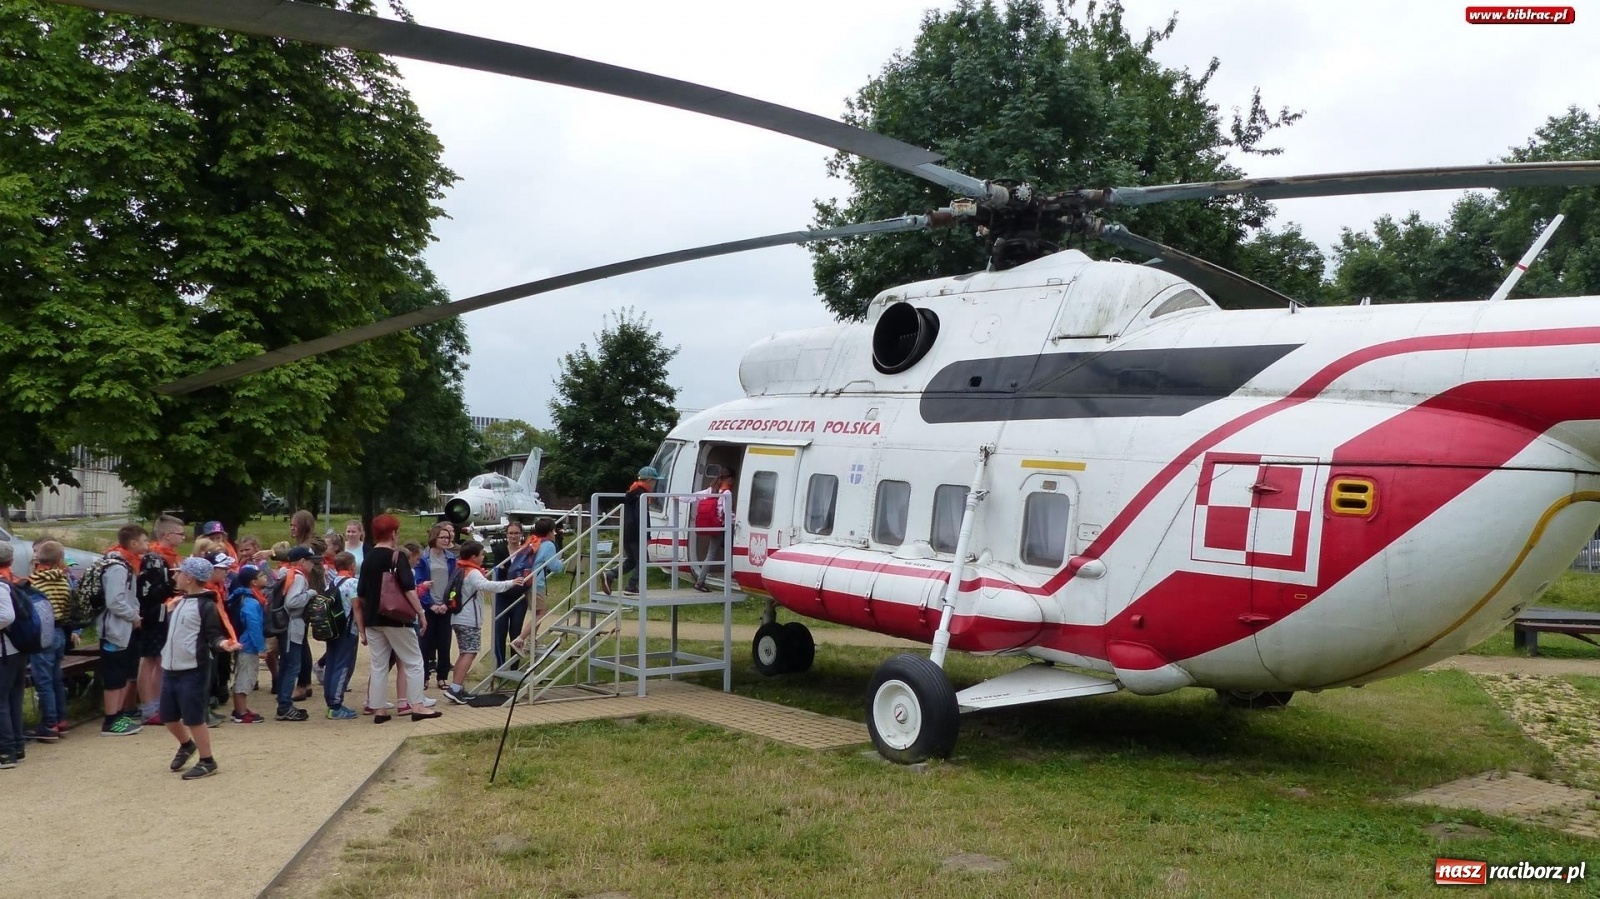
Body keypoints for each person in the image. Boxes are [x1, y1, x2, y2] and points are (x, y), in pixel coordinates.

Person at [162, 556, 241, 779]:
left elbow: (213, 634)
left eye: (179, 573)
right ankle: (186, 744)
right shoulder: (180, 602)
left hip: (192, 668)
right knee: (168, 715)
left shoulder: (205, 605)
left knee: (194, 717)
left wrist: (222, 644)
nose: (175, 576)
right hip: (171, 666)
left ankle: (207, 760)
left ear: (189, 578)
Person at [357, 514, 440, 723]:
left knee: (379, 665)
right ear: (393, 533)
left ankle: (379, 710)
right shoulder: (397, 557)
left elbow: (361, 594)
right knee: (414, 661)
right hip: (396, 617)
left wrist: (363, 624)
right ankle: (418, 706)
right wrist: (421, 613)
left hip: (373, 619)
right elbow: (409, 589)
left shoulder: (367, 559)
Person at [444, 541, 529, 704]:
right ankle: (455, 688)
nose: (484, 557)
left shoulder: (460, 569)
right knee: (470, 652)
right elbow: (488, 586)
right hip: (468, 619)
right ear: (474, 557)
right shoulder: (473, 572)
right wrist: (511, 582)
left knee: (464, 652)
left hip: (458, 617)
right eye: (482, 554)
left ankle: (457, 687)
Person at [100, 525, 149, 736]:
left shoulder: (129, 565)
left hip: (126, 628)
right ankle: (110, 720)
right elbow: (115, 601)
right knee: (114, 674)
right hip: (115, 629)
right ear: (133, 544)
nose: (148, 545)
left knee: (123, 672)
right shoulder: (117, 567)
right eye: (145, 541)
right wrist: (133, 616)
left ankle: (119, 713)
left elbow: (130, 597)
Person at [136, 515, 183, 725]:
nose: (183, 538)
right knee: (149, 661)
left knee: (157, 660)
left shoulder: (166, 558)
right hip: (152, 615)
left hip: (162, 612)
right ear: (166, 535)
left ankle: (157, 703)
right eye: (180, 534)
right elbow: (148, 593)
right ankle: (148, 706)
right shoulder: (153, 559)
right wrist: (172, 583)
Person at [23, 541, 72, 741]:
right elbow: (68, 608)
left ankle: (49, 723)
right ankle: (62, 719)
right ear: (60, 560)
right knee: (55, 679)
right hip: (59, 631)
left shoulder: (32, 582)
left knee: (43, 680)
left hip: (41, 634)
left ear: (38, 558)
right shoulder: (63, 581)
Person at [273, 546, 317, 721]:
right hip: (292, 624)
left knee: (286, 664)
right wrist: (309, 594)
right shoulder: (298, 577)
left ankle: (283, 702)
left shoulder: (288, 573)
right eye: (311, 560)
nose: (313, 564)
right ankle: (284, 706)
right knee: (292, 666)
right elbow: (292, 602)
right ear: (302, 561)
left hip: (286, 625)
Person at [510, 518, 565, 656]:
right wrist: (561, 562)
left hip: (526, 579)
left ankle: (531, 640)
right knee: (541, 612)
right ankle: (520, 639)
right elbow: (554, 566)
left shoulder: (533, 540)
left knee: (537, 611)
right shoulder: (549, 545)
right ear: (549, 532)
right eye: (553, 530)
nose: (554, 533)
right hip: (535, 582)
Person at [415, 522, 457, 692]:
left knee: (444, 642)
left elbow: (455, 584)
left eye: (448, 537)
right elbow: (419, 584)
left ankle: (442, 676)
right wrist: (430, 604)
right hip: (429, 607)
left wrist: (448, 603)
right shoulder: (424, 558)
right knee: (425, 643)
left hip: (445, 606)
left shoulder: (451, 558)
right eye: (442, 537)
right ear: (434, 537)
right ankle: (424, 676)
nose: (446, 540)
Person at [322, 552, 361, 719]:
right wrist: (363, 631)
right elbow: (357, 608)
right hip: (347, 630)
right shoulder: (353, 583)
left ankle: (330, 701)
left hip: (333, 629)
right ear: (352, 566)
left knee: (331, 663)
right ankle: (336, 705)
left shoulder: (332, 582)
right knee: (344, 665)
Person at [228, 566, 268, 724]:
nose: (265, 577)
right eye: (262, 575)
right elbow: (254, 626)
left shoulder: (243, 597)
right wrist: (261, 648)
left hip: (242, 642)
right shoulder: (251, 602)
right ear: (254, 582)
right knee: (245, 677)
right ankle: (240, 711)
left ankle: (240, 708)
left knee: (244, 675)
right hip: (248, 645)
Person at [492, 521, 532, 668]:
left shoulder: (526, 551)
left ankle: (514, 666)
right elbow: (498, 571)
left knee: (515, 631)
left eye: (516, 533)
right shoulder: (500, 550)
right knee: (500, 631)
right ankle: (500, 666)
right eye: (511, 533)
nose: (513, 536)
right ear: (506, 535)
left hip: (519, 596)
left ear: (521, 534)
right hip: (502, 595)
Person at [0, 543, 25, 768]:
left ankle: (6, 751)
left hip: (4, 653)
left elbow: (6, 616)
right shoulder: (12, 580)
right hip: (16, 649)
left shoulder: (0, 585)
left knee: (2, 702)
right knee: (14, 699)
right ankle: (17, 744)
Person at [620, 466, 660, 596]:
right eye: (654, 481)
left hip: (627, 531)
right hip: (636, 533)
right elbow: (641, 516)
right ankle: (631, 586)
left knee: (632, 561)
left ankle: (610, 574)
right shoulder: (641, 495)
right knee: (643, 560)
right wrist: (646, 534)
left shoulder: (632, 492)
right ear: (648, 480)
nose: (655, 484)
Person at [692, 474, 734, 592]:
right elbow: (727, 511)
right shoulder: (727, 493)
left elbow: (694, 497)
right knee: (731, 550)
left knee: (712, 554)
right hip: (724, 527)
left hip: (714, 526)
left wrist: (677, 497)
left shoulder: (711, 491)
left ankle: (700, 581)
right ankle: (731, 574)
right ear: (728, 479)